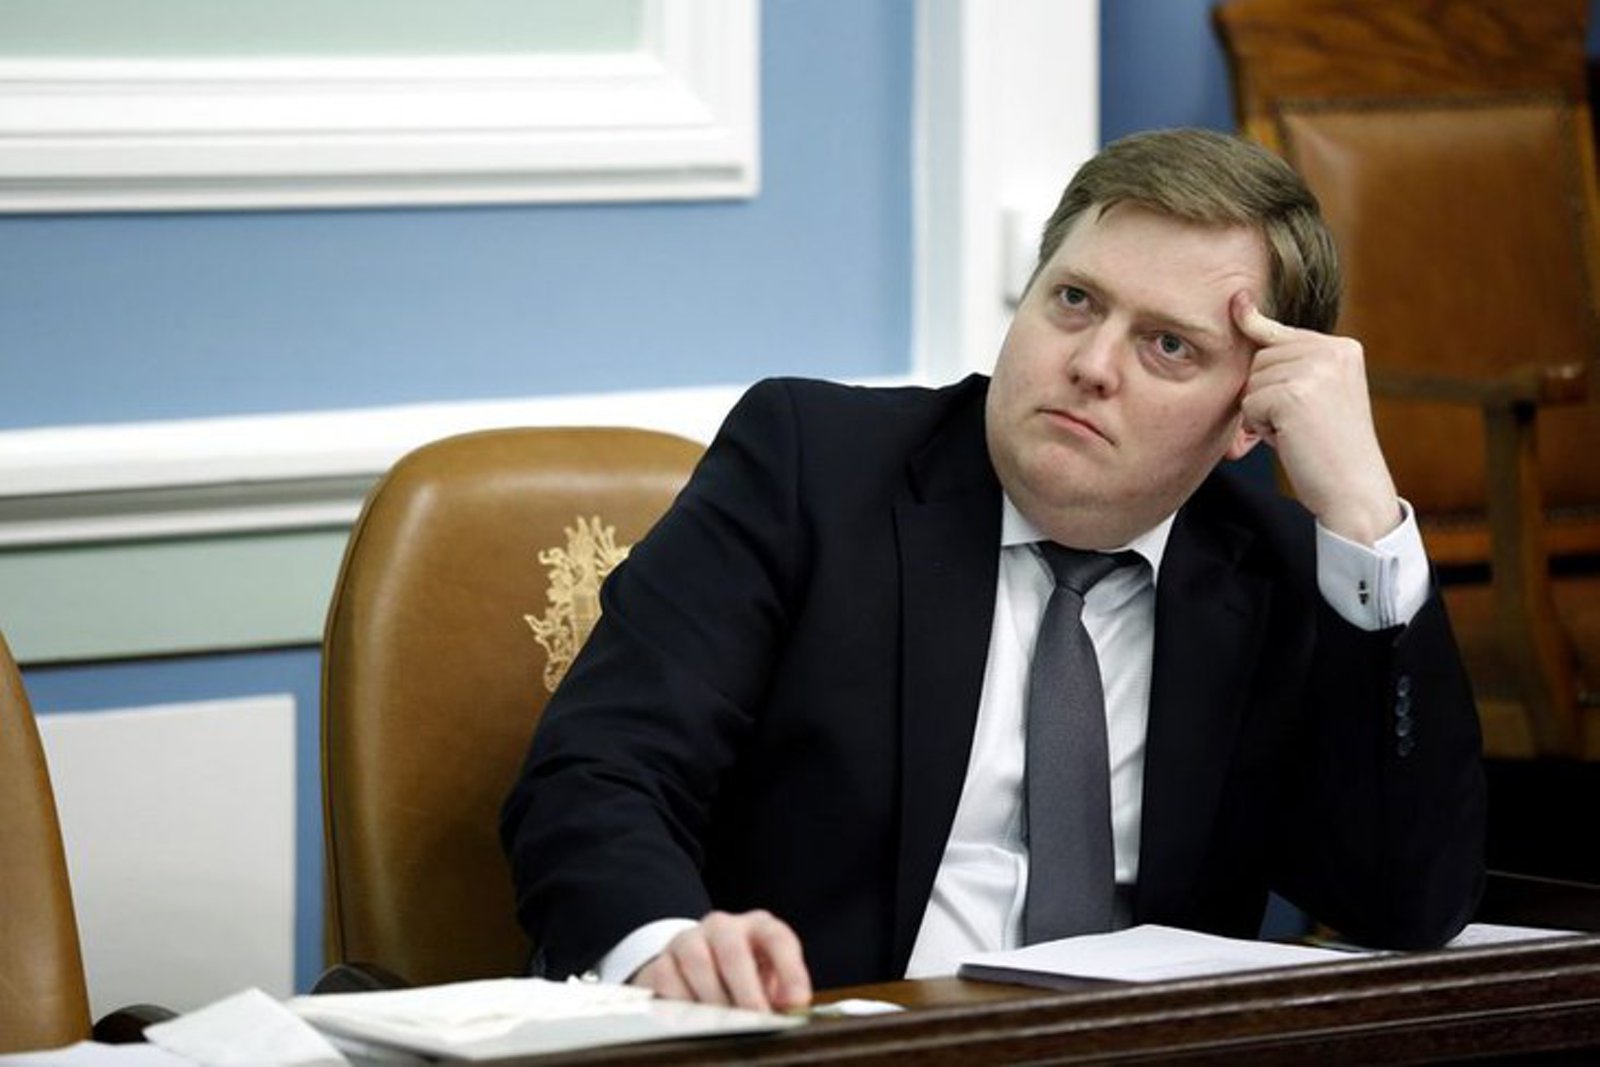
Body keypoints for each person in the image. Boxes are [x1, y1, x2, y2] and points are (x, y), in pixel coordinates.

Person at [500, 128, 1485, 1013]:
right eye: (1074, 300)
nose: (1092, 363)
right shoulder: (811, 467)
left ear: (1248, 419)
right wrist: (666, 949)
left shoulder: (1272, 568)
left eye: (1168, 345)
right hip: (828, 1040)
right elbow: (599, 772)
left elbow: (1403, 901)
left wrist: (1365, 515)